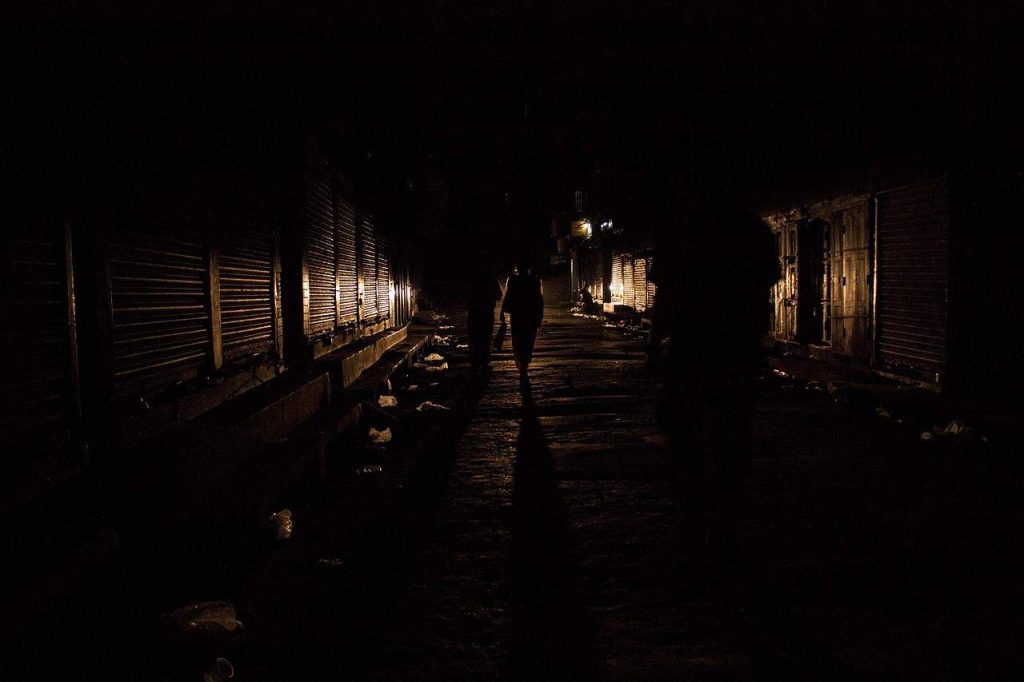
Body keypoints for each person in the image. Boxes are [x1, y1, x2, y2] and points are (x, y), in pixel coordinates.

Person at [500, 257, 544, 392]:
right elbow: (539, 300)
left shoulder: (513, 280)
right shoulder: (535, 280)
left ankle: (522, 363)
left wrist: (502, 312)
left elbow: (507, 298)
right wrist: (539, 317)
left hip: (518, 316)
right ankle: (525, 360)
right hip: (531, 316)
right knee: (528, 340)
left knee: (518, 340)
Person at [466, 262, 503, 377]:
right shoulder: (491, 279)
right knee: (485, 337)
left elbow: (465, 295)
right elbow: (499, 295)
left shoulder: (472, 280)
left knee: (475, 337)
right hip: (486, 312)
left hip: (474, 312)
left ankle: (475, 362)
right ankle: (484, 361)